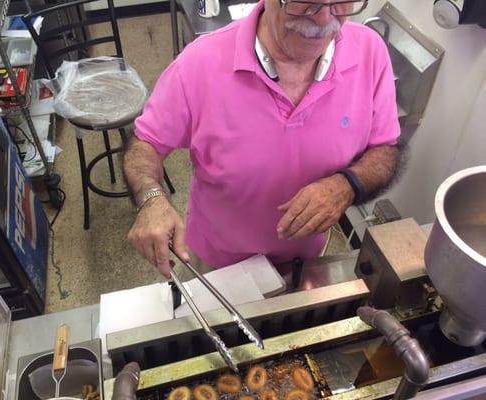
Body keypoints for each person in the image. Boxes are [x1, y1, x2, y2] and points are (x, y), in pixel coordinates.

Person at [123, 0, 401, 279]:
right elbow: (145, 144)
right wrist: (151, 198)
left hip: (306, 262)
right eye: (305, 2)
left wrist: (346, 185)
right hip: (219, 265)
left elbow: (385, 150)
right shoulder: (198, 64)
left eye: (341, 1)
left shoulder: (369, 52)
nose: (324, 19)